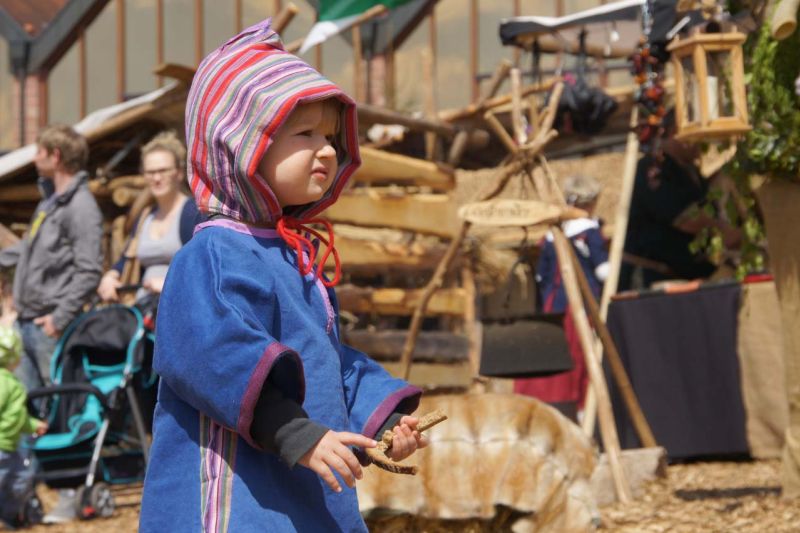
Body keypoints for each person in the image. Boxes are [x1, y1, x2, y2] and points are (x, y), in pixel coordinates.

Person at [139, 19, 427, 532]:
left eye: (331, 136)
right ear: (241, 146)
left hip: (302, 487)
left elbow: (327, 362)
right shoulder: (214, 254)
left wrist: (382, 421)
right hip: (236, 496)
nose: (328, 150)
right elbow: (214, 359)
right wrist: (298, 433)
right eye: (305, 134)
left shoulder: (295, 254)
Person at [0, 125, 103, 392]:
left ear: (55, 156)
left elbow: (90, 271)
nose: (34, 158)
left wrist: (58, 319)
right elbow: (29, 248)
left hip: (49, 328)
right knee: (27, 406)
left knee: (59, 406)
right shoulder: (49, 203)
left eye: (39, 151)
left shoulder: (80, 206)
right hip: (28, 323)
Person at [514, 175, 609, 419]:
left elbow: (541, 278)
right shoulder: (589, 232)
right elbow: (602, 270)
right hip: (582, 308)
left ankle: (553, 408)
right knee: (581, 357)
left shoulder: (550, 236)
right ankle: (582, 409)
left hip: (553, 307)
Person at [620, 110, 740, 291]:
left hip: (686, 276)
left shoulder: (689, 170)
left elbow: (706, 201)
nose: (701, 142)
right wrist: (724, 229)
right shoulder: (653, 169)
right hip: (654, 279)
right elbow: (685, 219)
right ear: (676, 131)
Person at [97, 131, 203, 308]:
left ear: (178, 173)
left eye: (163, 171)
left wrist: (169, 284)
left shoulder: (192, 213)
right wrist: (111, 275)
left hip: (180, 307)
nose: (156, 178)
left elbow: (203, 265)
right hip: (143, 308)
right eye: (150, 172)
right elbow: (126, 259)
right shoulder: (145, 216)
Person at [0, 324, 47, 529]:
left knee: (22, 478)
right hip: (1, 446)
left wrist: (33, 425)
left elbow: (17, 414)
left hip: (11, 446)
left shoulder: (12, 382)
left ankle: (9, 515)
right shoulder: (3, 383)